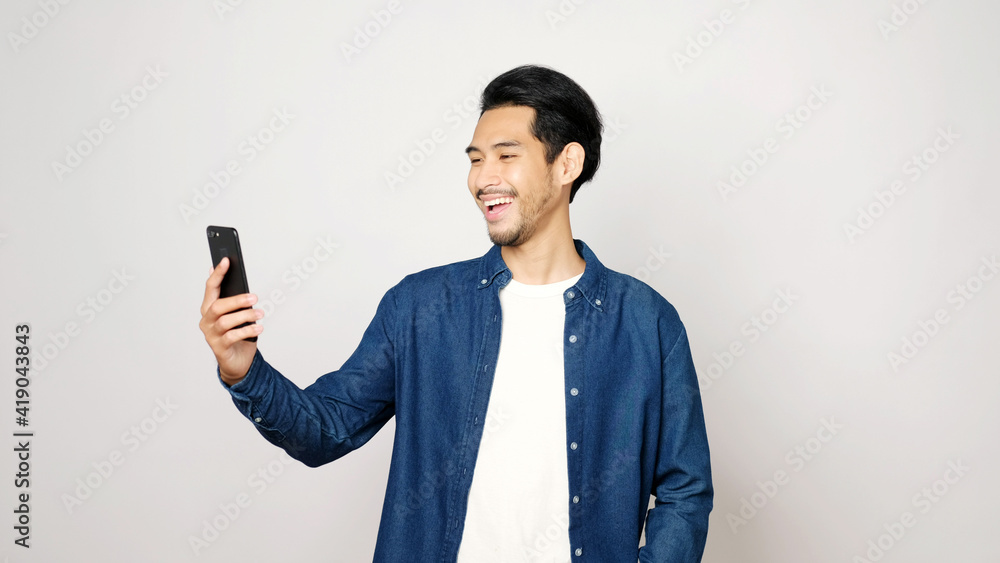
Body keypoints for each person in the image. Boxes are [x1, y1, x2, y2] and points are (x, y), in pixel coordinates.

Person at [199, 64, 712, 562]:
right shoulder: (421, 307)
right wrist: (243, 369)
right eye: (474, 159)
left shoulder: (647, 322)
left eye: (505, 156)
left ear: (566, 164)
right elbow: (325, 429)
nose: (482, 179)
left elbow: (685, 490)